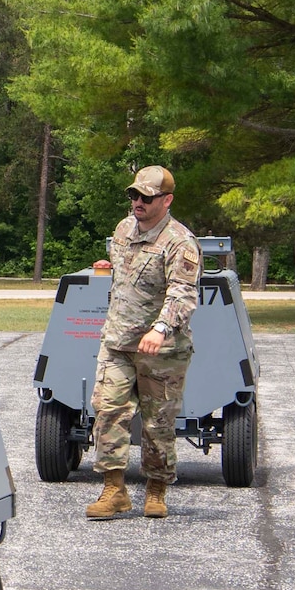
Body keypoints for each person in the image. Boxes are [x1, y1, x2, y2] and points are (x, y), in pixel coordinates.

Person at [84, 166, 202, 520]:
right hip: (118, 341)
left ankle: (156, 489)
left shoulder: (180, 242)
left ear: (166, 201)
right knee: (108, 411)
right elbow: (128, 277)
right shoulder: (123, 229)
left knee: (157, 423)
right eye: (134, 195)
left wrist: (162, 328)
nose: (138, 202)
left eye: (146, 198)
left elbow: (182, 293)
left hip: (161, 350)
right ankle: (114, 489)